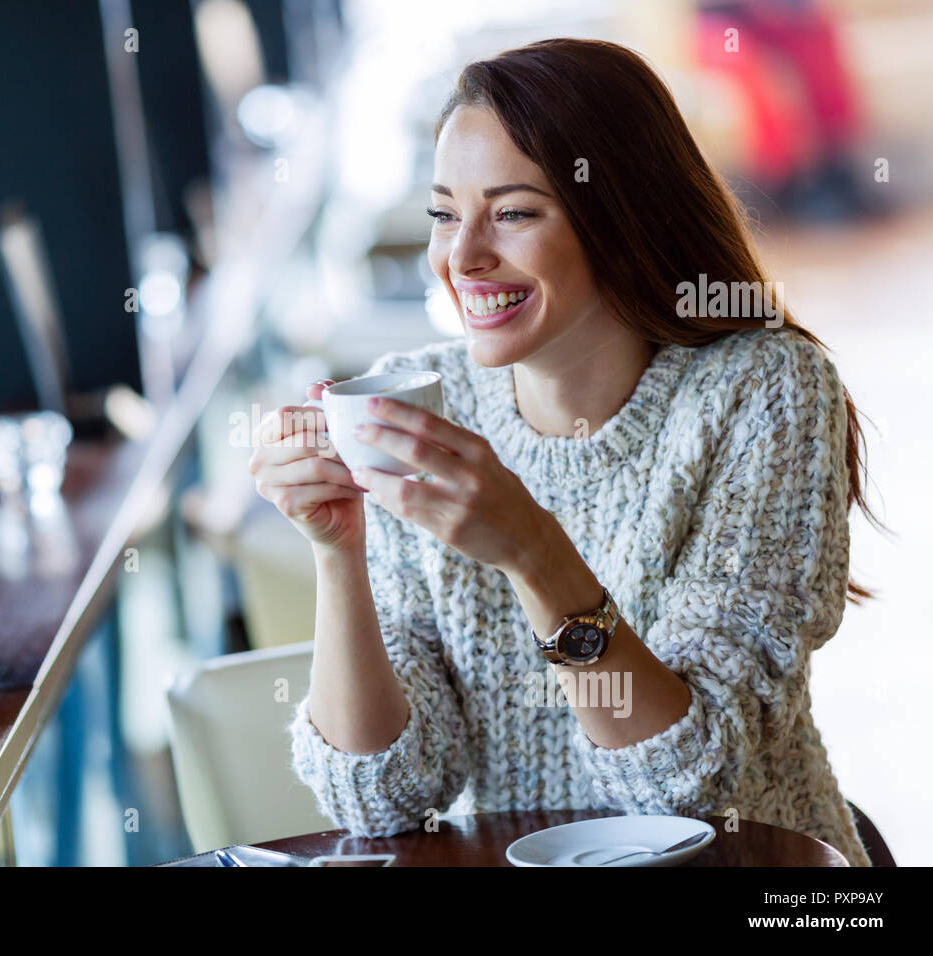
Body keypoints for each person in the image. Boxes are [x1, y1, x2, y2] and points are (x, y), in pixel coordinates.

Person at [248, 38, 882, 867]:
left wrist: (534, 552)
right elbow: (381, 797)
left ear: (622, 215)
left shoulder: (762, 391)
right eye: (444, 214)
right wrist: (339, 550)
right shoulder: (420, 406)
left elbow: (684, 787)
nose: (463, 257)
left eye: (512, 213)